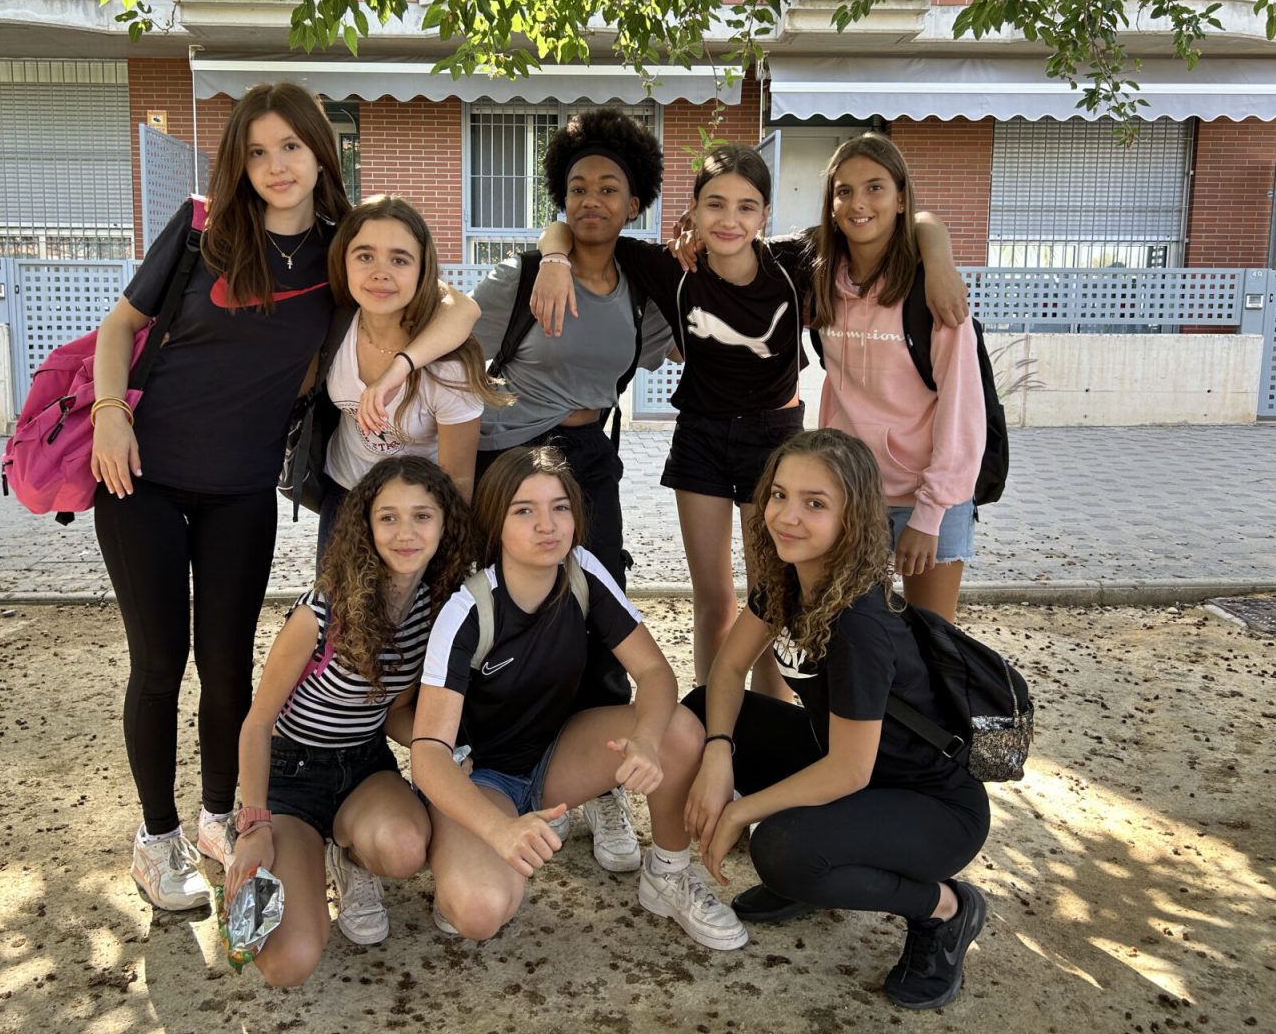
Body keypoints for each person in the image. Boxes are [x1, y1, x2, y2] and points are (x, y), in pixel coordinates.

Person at [89, 83, 480, 912]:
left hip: (242, 490)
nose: (276, 166)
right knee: (159, 663)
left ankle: (219, 817)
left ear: (319, 153)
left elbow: (457, 305)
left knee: (228, 665)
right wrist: (109, 411)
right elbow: (120, 326)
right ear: (239, 161)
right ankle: (156, 838)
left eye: (291, 147)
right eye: (257, 151)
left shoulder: (344, 250)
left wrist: (403, 368)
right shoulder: (201, 230)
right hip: (142, 475)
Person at [533, 140, 968, 695]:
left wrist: (940, 258)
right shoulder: (671, 267)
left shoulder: (793, 261)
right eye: (714, 204)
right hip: (700, 439)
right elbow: (577, 230)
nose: (729, 220)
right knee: (713, 597)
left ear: (765, 213)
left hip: (774, 443)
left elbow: (912, 221)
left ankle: (770, 716)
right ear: (692, 212)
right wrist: (553, 260)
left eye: (745, 206)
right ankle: (713, 719)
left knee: (771, 598)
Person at [683, 429, 990, 1010]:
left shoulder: (858, 623)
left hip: (932, 807)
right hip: (856, 771)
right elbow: (727, 671)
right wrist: (719, 749)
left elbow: (849, 770)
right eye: (779, 495)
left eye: (815, 503)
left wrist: (742, 809)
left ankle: (945, 910)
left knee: (782, 850)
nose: (787, 516)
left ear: (852, 518)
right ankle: (818, 870)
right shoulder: (789, 580)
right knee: (698, 716)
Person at [410, 446, 749, 951]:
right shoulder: (469, 609)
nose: (547, 525)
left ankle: (668, 875)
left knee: (678, 729)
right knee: (479, 912)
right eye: (524, 510)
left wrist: (645, 741)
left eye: (560, 507)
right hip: (483, 778)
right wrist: (498, 830)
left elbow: (655, 672)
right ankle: (461, 851)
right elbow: (427, 755)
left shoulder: (581, 572)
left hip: (556, 760)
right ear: (495, 523)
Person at [467, 108, 675, 870]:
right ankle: (482, 769)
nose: (592, 199)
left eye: (610, 188)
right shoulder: (519, 278)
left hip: (589, 456)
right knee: (505, 611)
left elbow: (684, 333)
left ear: (634, 202)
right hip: (511, 459)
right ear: (562, 196)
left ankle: (603, 781)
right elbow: (455, 352)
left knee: (603, 600)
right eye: (579, 187)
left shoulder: (643, 291)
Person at [224, 456, 476, 987]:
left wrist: (446, 748)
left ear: (445, 524)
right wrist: (254, 823)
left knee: (405, 850)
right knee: (287, 965)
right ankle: (278, 851)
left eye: (422, 516)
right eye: (388, 517)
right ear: (366, 526)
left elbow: (395, 713)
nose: (405, 532)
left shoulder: (433, 607)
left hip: (364, 766)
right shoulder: (322, 608)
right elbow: (256, 723)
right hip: (291, 775)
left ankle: (351, 858)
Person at [810, 133, 983, 621]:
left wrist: (929, 515)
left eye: (875, 188)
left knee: (932, 642)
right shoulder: (819, 278)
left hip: (928, 495)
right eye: (844, 191)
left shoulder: (933, 292)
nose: (858, 203)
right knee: (853, 638)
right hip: (851, 494)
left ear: (901, 198)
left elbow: (962, 411)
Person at [317, 195, 511, 558]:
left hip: (418, 510)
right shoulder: (334, 324)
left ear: (423, 270)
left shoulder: (448, 366)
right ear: (343, 260)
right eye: (364, 256)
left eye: (399, 259)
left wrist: (447, 554)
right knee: (336, 597)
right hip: (345, 492)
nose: (380, 272)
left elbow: (458, 481)